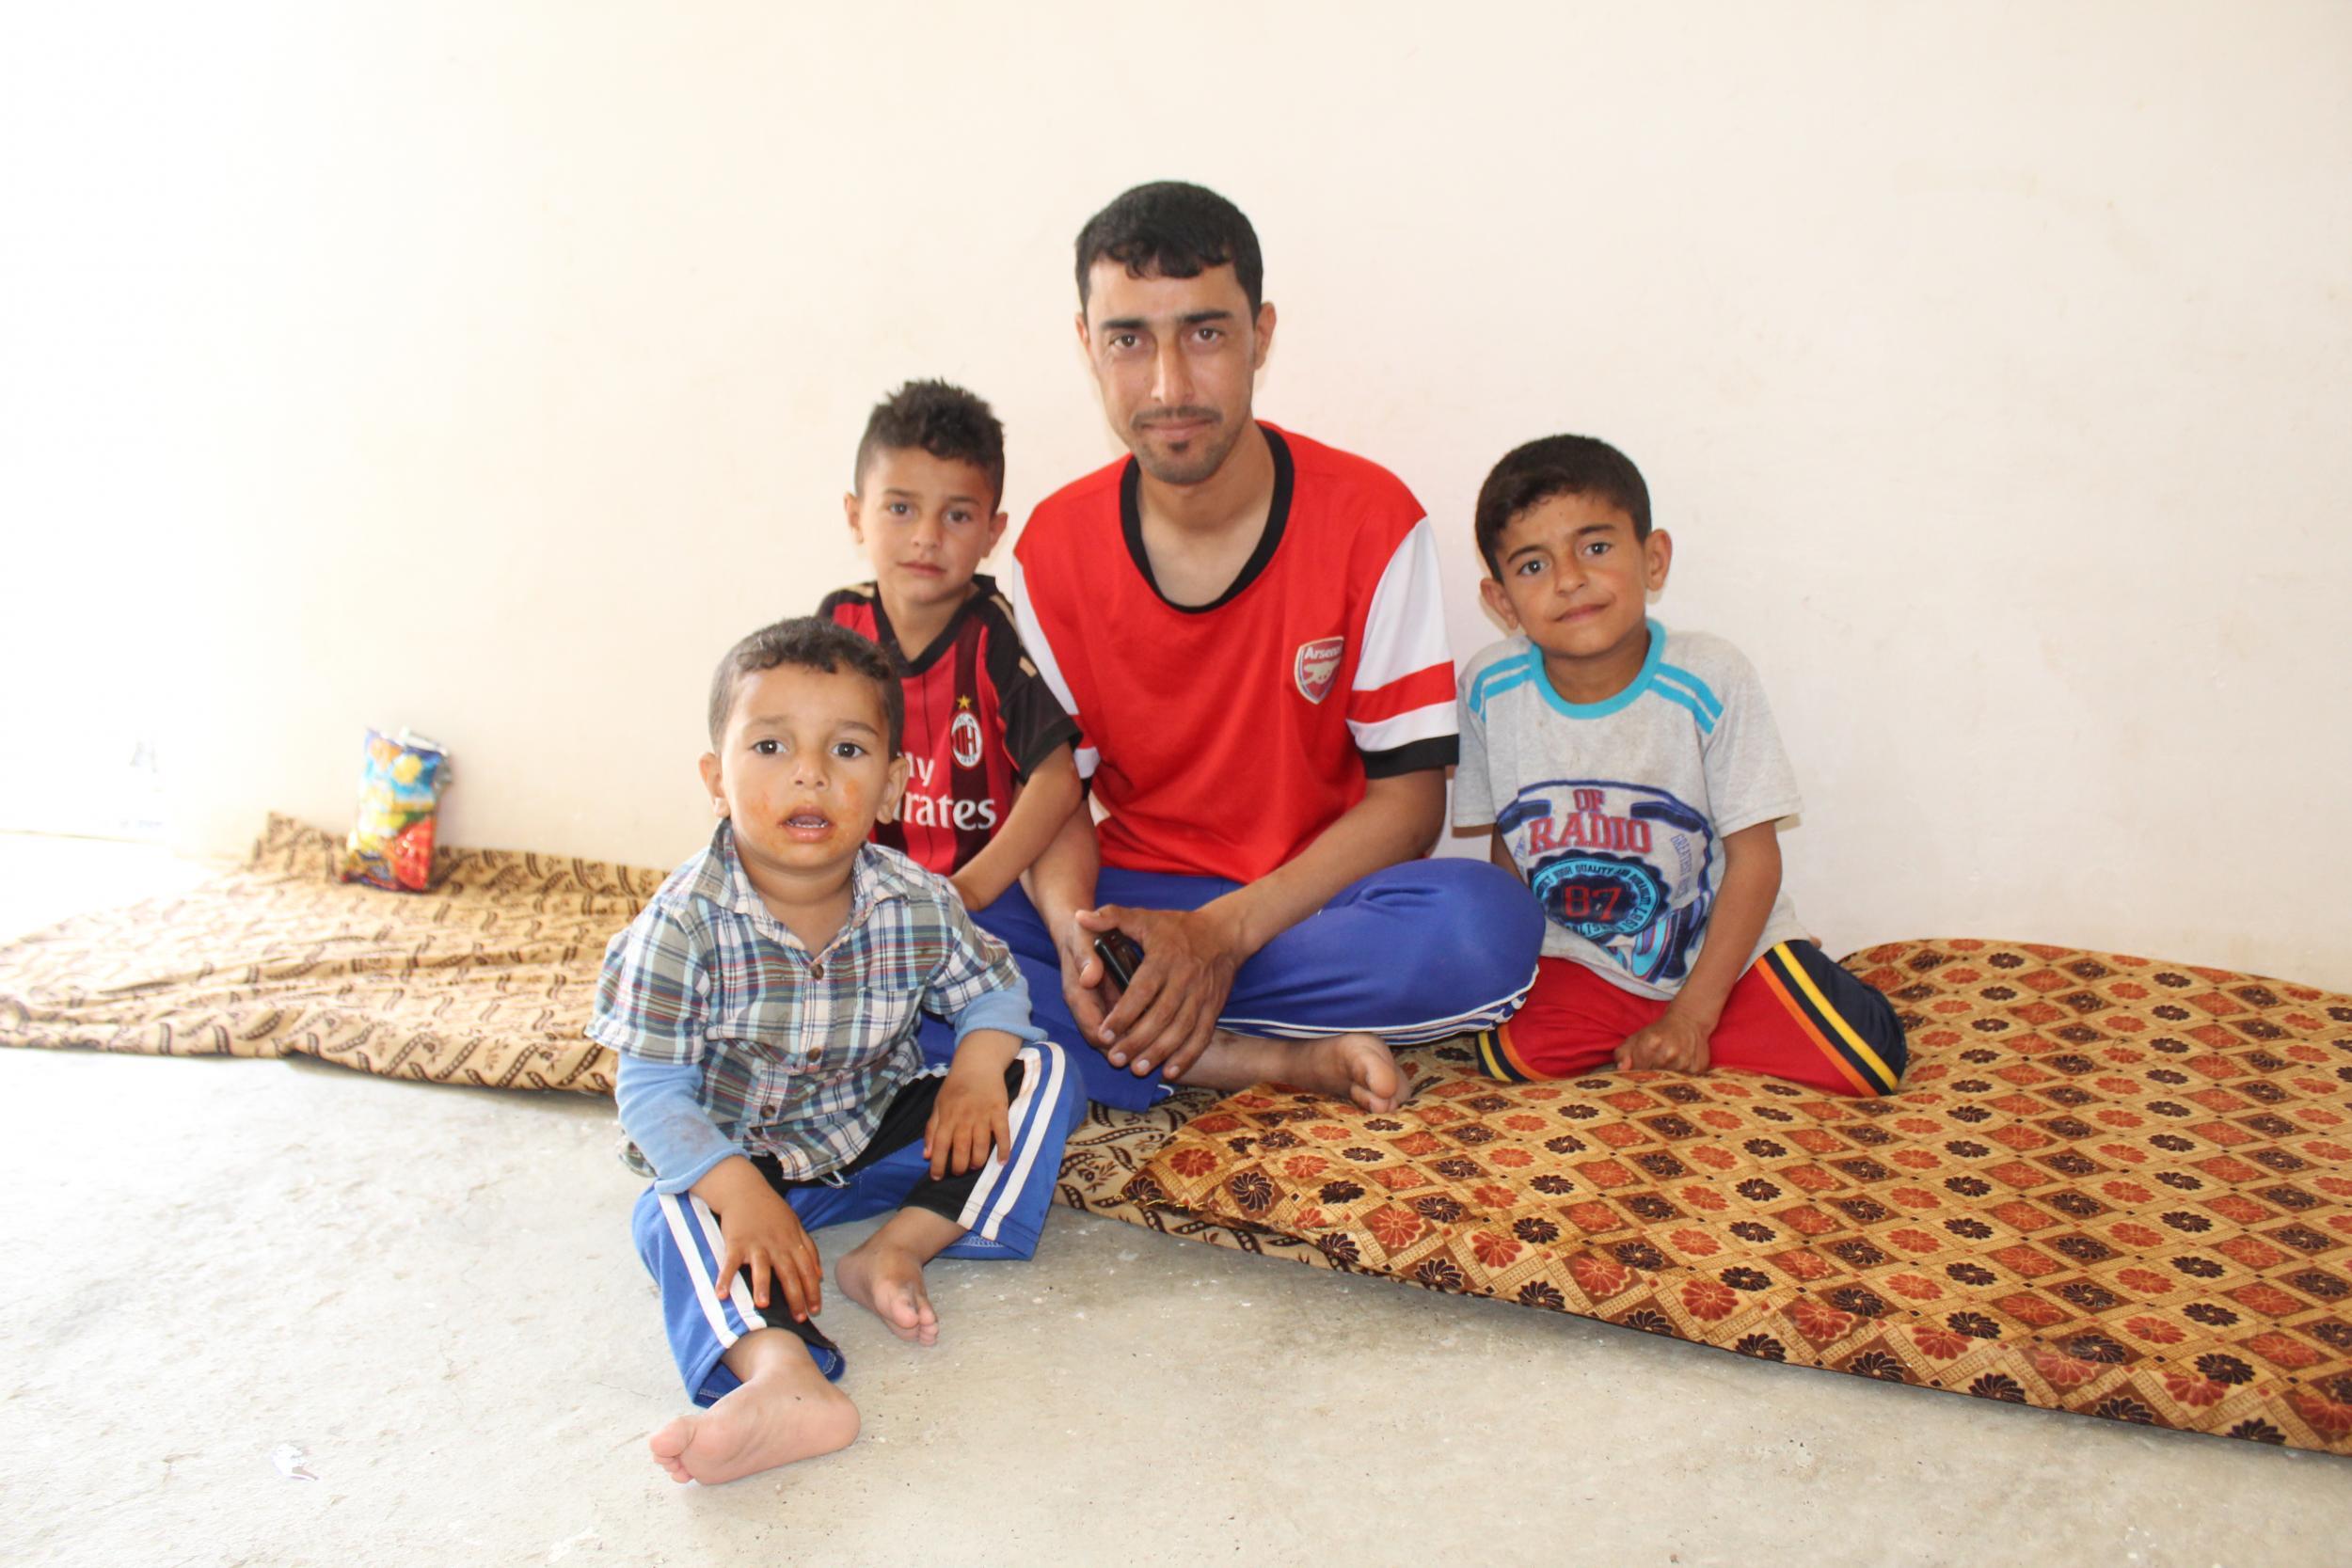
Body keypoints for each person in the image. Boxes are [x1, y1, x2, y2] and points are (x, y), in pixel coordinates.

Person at [995, 180, 1543, 1113]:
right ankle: (1257, 1056)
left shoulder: (1372, 520)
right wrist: (1080, 943)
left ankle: (1124, 1023)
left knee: (1484, 929)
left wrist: (1217, 935)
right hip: (1126, 898)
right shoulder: (1048, 549)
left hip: (1306, 904)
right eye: (1129, 338)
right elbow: (1056, 804)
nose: (1169, 383)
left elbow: (1410, 805)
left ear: (1261, 333)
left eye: (1205, 333)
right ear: (1088, 345)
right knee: (914, 920)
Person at [590, 618, 1082, 1484]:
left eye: (847, 749)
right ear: (716, 778)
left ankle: (898, 1247)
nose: (809, 773)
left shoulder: (916, 899)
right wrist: (739, 1194)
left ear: (892, 785)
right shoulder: (679, 927)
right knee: (663, 1213)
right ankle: (782, 1372)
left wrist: (973, 1072)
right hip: (743, 1162)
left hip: (877, 1135)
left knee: (1041, 1071)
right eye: (772, 745)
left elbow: (998, 990)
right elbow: (654, 1095)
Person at [1454, 434, 1907, 1095]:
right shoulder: (1490, 687)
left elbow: (1755, 859)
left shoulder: (1709, 677)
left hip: (1717, 952)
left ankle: (1710, 1017)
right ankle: (1659, 1034)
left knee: (1866, 1061)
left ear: (1654, 559)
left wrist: (1694, 1013)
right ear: (1501, 603)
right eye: (1532, 566)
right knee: (1508, 1059)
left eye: (1597, 547)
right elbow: (1509, 837)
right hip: (1586, 962)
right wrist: (1516, 963)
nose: (1570, 579)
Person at [819, 380, 1084, 912]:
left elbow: (1058, 780)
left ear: (993, 532)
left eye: (958, 515)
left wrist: (968, 891)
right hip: (860, 896)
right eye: (900, 508)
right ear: (855, 517)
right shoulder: (839, 623)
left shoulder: (993, 636)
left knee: (1001, 996)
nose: (926, 536)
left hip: (984, 900)